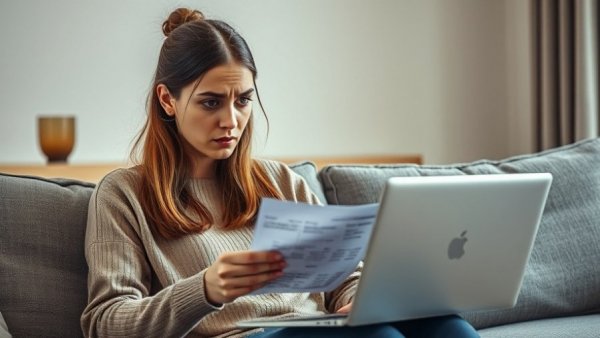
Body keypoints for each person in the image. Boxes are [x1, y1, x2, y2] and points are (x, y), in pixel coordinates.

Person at [80, 7, 480, 338]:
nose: (231, 120)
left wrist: (358, 298)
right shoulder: (124, 194)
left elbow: (344, 277)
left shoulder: (280, 182)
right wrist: (204, 290)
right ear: (168, 100)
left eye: (243, 100)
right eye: (210, 103)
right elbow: (105, 322)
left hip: (311, 329)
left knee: (447, 327)